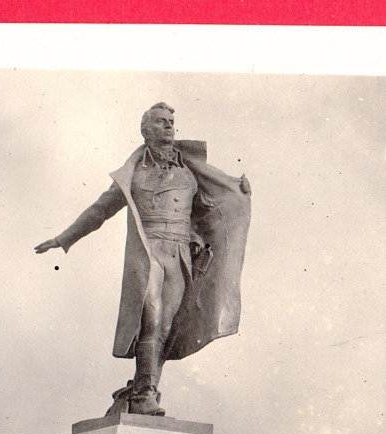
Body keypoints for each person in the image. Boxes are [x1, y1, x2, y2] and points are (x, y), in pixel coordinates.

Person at [35, 103, 251, 417]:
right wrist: (65, 237)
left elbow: (208, 215)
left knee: (164, 328)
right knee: (150, 320)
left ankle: (139, 391)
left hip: (178, 260)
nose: (169, 127)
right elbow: (101, 209)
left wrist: (237, 191)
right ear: (146, 130)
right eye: (162, 122)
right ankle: (146, 393)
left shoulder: (188, 175)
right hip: (148, 255)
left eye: (172, 122)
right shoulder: (135, 173)